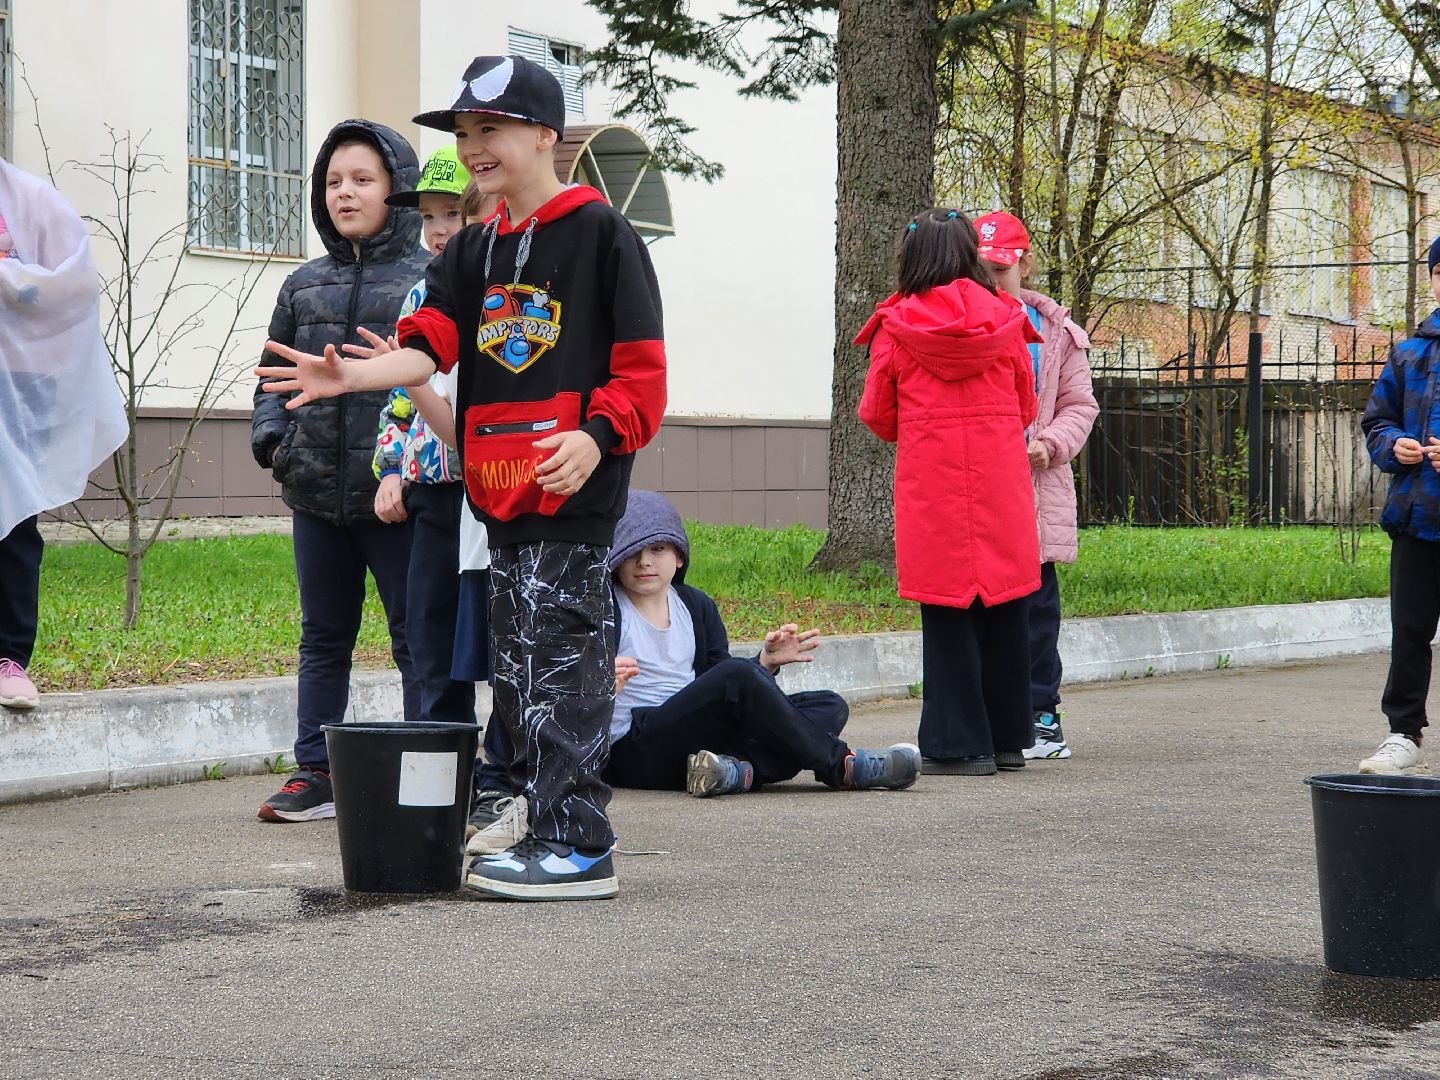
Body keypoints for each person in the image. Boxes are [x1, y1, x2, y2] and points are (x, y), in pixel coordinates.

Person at [257, 56, 667, 900]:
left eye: (493, 130)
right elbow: (431, 341)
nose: (475, 148)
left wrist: (596, 439)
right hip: (498, 495)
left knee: (564, 665)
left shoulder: (599, 232)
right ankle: (538, 820)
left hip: (569, 491)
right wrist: (356, 378)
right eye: (465, 133)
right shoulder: (477, 246)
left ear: (545, 134)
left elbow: (642, 375)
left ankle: (580, 846)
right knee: (516, 671)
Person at [250, 120, 430, 823]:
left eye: (362, 179)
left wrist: (410, 471)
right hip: (315, 493)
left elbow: (440, 380)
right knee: (323, 636)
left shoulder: (429, 280)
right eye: (332, 182)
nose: (345, 193)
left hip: (397, 499)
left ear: (397, 190)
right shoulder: (303, 285)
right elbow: (271, 377)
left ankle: (427, 769)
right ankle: (313, 774)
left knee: (414, 636)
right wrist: (278, 446)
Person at [857, 208, 1042, 777]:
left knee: (948, 613)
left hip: (932, 486)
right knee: (1007, 606)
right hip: (1000, 482)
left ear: (912, 257)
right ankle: (1011, 738)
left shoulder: (896, 327)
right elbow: (1026, 404)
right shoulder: (1008, 319)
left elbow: (878, 415)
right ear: (968, 253)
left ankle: (960, 744)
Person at [602, 490, 921, 795]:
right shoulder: (605, 610)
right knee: (747, 684)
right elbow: (563, 690)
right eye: (631, 552)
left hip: (699, 740)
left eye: (657, 549)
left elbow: (718, 683)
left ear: (679, 557)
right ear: (615, 560)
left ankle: (733, 772)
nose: (643, 562)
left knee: (828, 706)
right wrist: (598, 687)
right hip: (637, 749)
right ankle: (843, 767)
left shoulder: (695, 606)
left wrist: (765, 664)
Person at [0, 158, 127, 710]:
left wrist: (8, 280)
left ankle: (8, 657)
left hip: (20, 385)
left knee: (13, 521)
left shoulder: (28, 200)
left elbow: (73, 285)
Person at [974, 211, 1098, 760]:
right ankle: (988, 712)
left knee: (1036, 611)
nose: (994, 278)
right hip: (980, 487)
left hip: (1036, 488)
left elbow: (1079, 405)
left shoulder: (1058, 334)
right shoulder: (965, 321)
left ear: (1024, 262)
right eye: (983, 267)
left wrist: (1047, 443)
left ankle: (1042, 714)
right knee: (980, 606)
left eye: (1002, 267)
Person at [369, 145, 476, 731]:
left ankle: (502, 776)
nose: (439, 231)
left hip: (488, 494)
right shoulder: (420, 295)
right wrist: (391, 469)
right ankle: (439, 769)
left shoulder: (501, 293)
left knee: (489, 636)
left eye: (453, 214)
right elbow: (400, 397)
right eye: (429, 217)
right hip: (432, 491)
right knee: (426, 636)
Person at [1357, 234, 1440, 776]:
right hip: (1419, 519)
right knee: (1409, 630)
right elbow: (1376, 421)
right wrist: (1395, 446)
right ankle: (1402, 733)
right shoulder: (1410, 353)